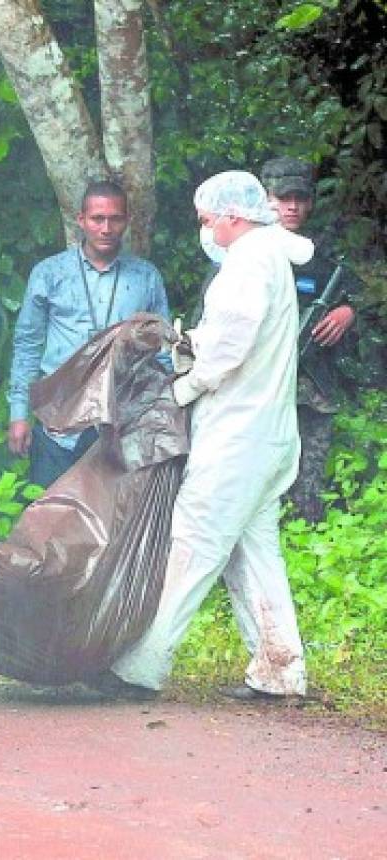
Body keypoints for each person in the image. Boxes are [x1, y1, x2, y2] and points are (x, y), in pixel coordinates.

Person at [104, 171, 312, 702]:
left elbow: (228, 348)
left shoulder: (248, 263)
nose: (204, 228)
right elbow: (230, 335)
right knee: (254, 553)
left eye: (207, 219)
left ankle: (138, 667)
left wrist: (183, 388)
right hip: (265, 433)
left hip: (239, 436)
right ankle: (279, 670)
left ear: (233, 217)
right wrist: (188, 342)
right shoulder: (266, 257)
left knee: (192, 543)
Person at [8, 180, 170, 487]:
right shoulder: (49, 273)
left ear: (127, 221)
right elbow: (28, 345)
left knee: (115, 522)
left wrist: (165, 419)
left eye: (115, 219)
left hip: (121, 422)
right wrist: (19, 414)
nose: (106, 228)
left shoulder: (145, 277)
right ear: (81, 220)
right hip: (58, 423)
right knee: (50, 521)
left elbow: (162, 352)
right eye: (97, 219)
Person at [261, 156, 362, 524]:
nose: (291, 206)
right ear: (265, 198)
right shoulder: (244, 249)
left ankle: (307, 540)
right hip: (260, 389)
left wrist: (347, 312)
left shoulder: (323, 253)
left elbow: (360, 294)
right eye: (282, 196)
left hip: (312, 387)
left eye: (299, 198)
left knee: (309, 482)